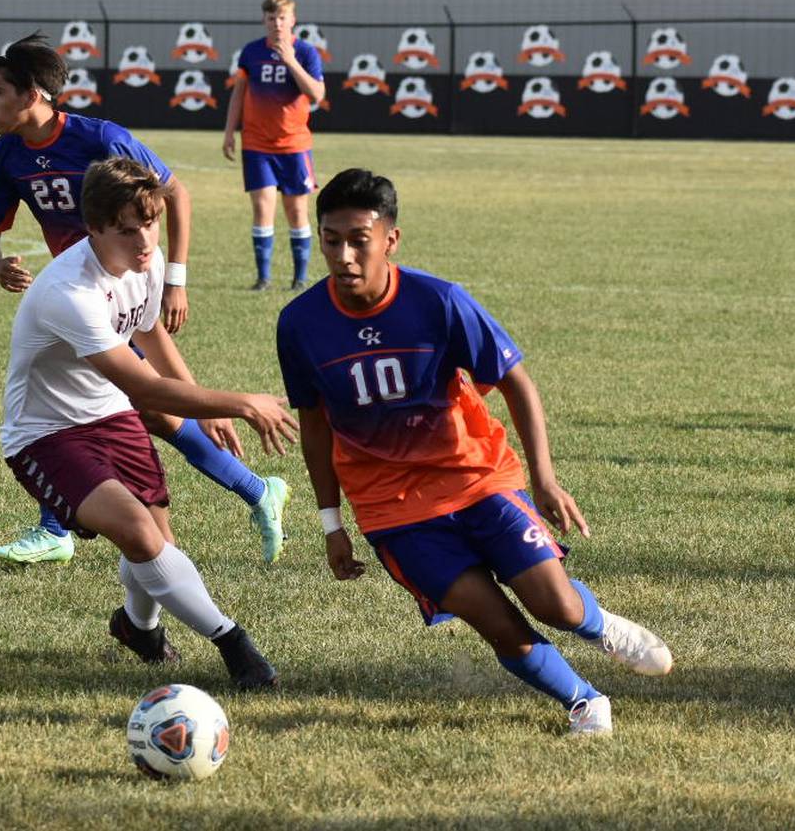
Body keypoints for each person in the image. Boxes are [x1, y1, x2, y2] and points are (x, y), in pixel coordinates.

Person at [276, 168, 673, 736]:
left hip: (478, 477)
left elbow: (516, 382)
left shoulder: (438, 301)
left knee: (554, 605)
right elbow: (314, 424)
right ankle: (584, 701)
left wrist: (544, 478)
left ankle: (600, 625)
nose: (343, 254)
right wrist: (331, 523)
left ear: (390, 239)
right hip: (394, 510)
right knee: (497, 622)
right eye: (331, 239)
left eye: (358, 239)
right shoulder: (299, 324)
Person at [0, 34, 290, 565]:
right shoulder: (7, 154)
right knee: (124, 409)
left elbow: (174, 193)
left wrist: (177, 279)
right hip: (78, 298)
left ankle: (254, 491)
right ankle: (257, 492)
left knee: (135, 408)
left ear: (32, 94)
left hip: (122, 288)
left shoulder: (100, 137)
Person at [1, 155, 293, 688]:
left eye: (151, 225)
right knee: (139, 533)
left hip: (111, 417)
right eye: (126, 231)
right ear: (91, 229)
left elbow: (150, 332)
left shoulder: (146, 264)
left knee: (158, 541)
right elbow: (142, 386)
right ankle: (235, 645)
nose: (143, 242)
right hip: (46, 435)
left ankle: (138, 629)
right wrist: (238, 403)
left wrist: (196, 403)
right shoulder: (70, 292)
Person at [221, 0, 325, 291]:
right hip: (257, 144)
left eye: (282, 18)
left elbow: (317, 95)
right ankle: (263, 278)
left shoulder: (305, 52)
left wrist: (290, 60)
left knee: (296, 211)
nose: (277, 23)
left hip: (294, 145)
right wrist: (230, 130)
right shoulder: (251, 52)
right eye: (271, 18)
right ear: (264, 20)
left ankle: (299, 278)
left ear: (293, 20)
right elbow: (239, 93)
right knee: (262, 208)